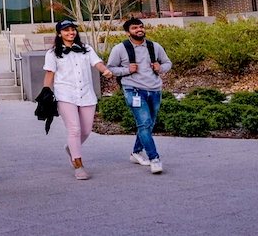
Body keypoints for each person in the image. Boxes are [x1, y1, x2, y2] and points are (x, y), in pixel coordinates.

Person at [42, 20, 110, 179]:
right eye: (66, 30)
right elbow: (49, 74)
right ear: (59, 34)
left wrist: (105, 70)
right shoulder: (52, 53)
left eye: (73, 30)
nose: (70, 33)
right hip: (65, 94)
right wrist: (45, 92)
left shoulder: (86, 49)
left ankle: (71, 147)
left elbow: (97, 62)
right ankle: (79, 165)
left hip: (86, 94)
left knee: (86, 131)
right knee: (74, 129)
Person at [105, 17, 171, 175]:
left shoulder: (154, 46)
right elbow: (110, 68)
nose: (139, 30)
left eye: (141, 27)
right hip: (133, 90)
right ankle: (154, 158)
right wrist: (127, 70)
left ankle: (136, 152)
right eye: (135, 28)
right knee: (144, 123)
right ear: (128, 32)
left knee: (148, 124)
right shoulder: (120, 48)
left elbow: (168, 63)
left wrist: (160, 67)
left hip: (155, 89)